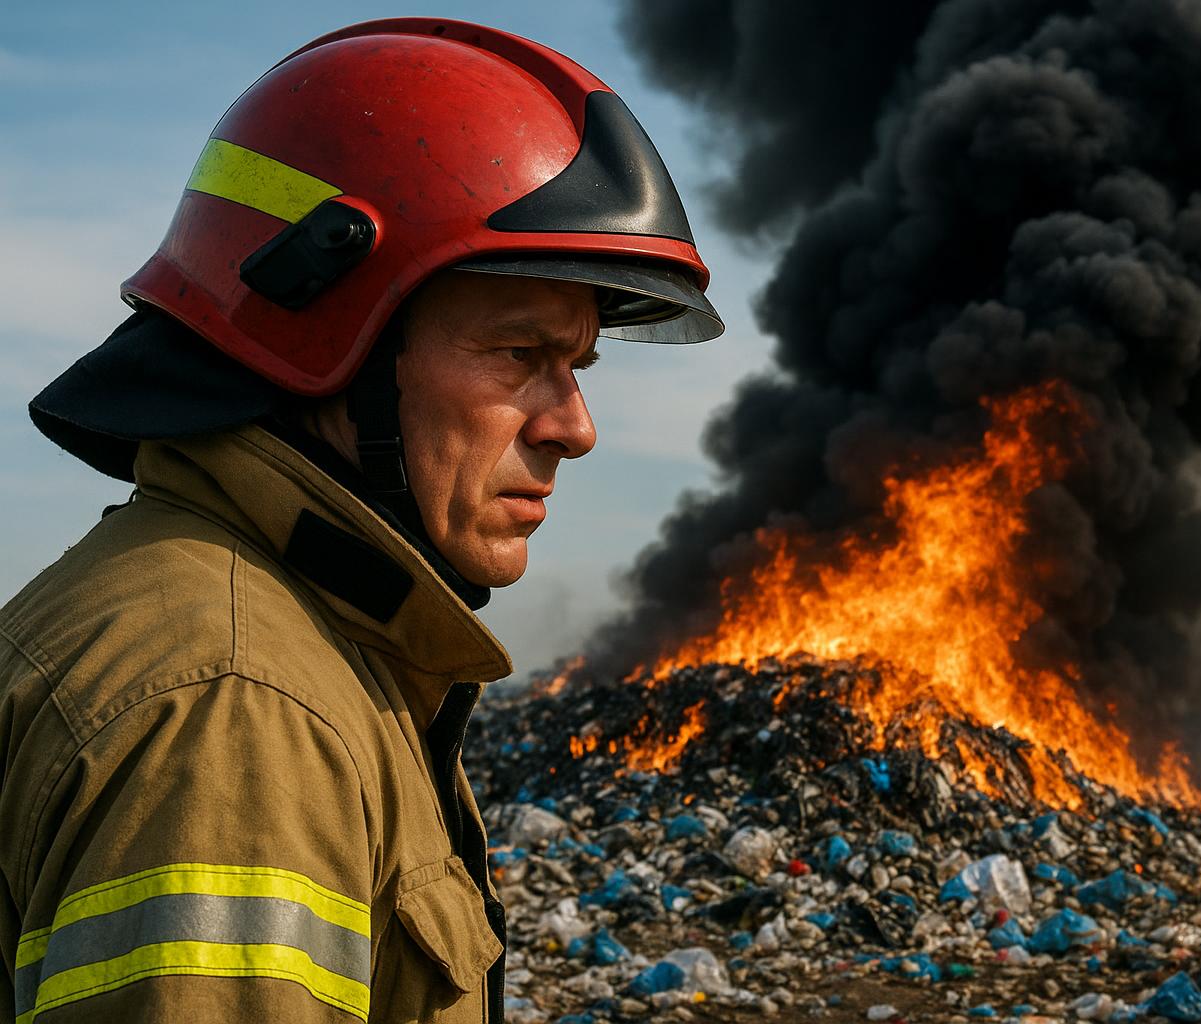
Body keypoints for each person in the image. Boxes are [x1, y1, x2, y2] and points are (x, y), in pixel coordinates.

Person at [0, 18, 721, 1024]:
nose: (576, 428)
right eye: (520, 356)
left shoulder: (289, 640)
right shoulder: (239, 715)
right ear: (332, 336)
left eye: (579, 367)